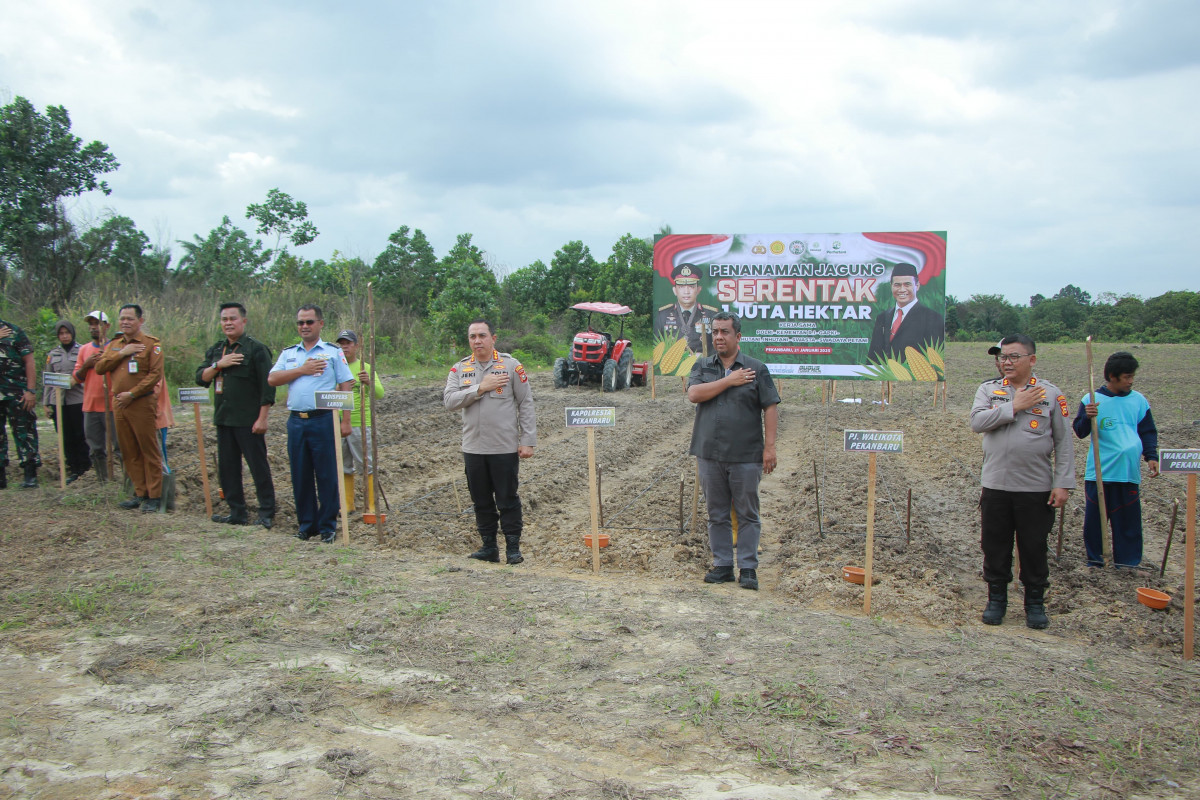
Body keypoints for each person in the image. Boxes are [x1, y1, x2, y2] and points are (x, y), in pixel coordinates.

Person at [970, 334, 1074, 629]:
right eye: (1003, 357)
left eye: (1014, 356)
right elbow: (977, 422)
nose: (1007, 362)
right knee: (994, 545)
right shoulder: (989, 390)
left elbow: (1064, 443)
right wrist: (1014, 406)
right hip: (996, 485)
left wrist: (1063, 483)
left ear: (1032, 360)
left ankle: (1035, 603)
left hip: (1035, 487)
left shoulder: (1051, 395)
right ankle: (996, 600)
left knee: (1033, 546)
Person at [687, 311, 780, 591]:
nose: (718, 337)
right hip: (710, 453)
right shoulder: (703, 366)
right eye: (715, 332)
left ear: (738, 336)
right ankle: (723, 565)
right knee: (717, 513)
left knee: (748, 512)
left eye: (725, 332)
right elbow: (694, 394)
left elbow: (770, 406)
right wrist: (729, 380)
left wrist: (770, 447)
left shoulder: (756, 368)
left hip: (746, 455)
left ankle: (748, 568)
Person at [443, 319, 536, 564]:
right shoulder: (460, 369)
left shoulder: (510, 366)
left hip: (503, 447)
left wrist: (527, 440)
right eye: (472, 336)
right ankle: (488, 547)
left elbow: (525, 402)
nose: (477, 341)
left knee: (507, 498)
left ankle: (513, 548)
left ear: (493, 338)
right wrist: (479, 388)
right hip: (473, 447)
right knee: (481, 500)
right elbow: (450, 401)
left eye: (482, 335)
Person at [268, 304, 353, 543]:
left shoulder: (332, 351)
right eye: (300, 323)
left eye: (309, 322)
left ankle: (327, 526)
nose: (304, 326)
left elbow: (346, 382)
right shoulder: (289, 354)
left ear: (320, 324)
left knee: (327, 474)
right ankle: (306, 525)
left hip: (323, 419)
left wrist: (345, 420)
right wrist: (302, 369)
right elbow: (273, 378)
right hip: (297, 421)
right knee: (300, 473)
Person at [1073, 351, 1158, 568]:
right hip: (1099, 473)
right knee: (1095, 521)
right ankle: (1096, 561)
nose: (1131, 381)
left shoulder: (1139, 401)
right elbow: (1080, 431)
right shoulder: (1092, 400)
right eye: (1127, 377)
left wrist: (1151, 456)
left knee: (1128, 521)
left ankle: (1128, 563)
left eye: (1132, 376)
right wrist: (1087, 416)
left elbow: (1147, 431)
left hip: (1128, 472)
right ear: (1112, 376)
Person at [197, 302, 277, 528]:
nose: (228, 323)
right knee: (228, 468)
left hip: (249, 421)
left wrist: (262, 418)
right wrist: (218, 365)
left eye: (233, 319)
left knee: (257, 466)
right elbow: (200, 378)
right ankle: (237, 512)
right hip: (224, 420)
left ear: (244, 321)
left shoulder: (256, 349)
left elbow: (267, 387)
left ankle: (266, 512)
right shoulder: (216, 350)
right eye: (224, 319)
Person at [95, 304, 165, 512]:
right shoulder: (115, 345)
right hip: (119, 403)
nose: (125, 322)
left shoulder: (151, 344)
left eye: (130, 319)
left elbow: (155, 375)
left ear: (140, 321)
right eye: (122, 318)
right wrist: (122, 353)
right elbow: (100, 367)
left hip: (140, 402)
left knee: (148, 448)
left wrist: (133, 393)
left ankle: (154, 495)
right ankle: (139, 492)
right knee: (128, 449)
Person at [335, 330, 385, 516]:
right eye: (341, 344)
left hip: (360, 423)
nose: (344, 347)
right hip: (338, 424)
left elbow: (380, 393)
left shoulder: (364, 367)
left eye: (348, 343)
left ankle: (371, 505)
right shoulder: (333, 367)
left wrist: (369, 382)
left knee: (366, 464)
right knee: (343, 464)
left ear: (356, 346)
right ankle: (347, 504)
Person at [866, 263, 945, 365]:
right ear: (891, 287)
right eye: (897, 285)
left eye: (907, 284)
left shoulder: (932, 318)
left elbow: (936, 356)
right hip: (885, 375)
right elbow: (873, 357)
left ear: (917, 286)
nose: (902, 289)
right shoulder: (883, 317)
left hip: (914, 377)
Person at [42, 320, 90, 482]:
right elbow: (48, 380)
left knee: (80, 434)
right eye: (61, 334)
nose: (64, 336)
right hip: (59, 402)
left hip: (78, 399)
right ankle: (73, 468)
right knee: (65, 437)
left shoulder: (82, 350)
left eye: (67, 333)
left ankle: (85, 468)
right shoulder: (53, 354)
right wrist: (46, 403)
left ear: (72, 333)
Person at [73, 311, 119, 480]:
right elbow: (76, 378)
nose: (94, 328)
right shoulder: (84, 350)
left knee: (120, 446)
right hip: (91, 406)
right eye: (91, 324)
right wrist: (87, 365)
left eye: (98, 324)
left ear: (107, 326)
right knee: (96, 448)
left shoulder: (116, 347)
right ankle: (103, 481)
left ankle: (130, 483)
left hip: (113, 404)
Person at [0, 318, 41, 489]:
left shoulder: (14, 331)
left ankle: (30, 474)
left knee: (25, 432)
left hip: (17, 392)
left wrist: (31, 391)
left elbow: (29, 361)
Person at [656, 263, 718, 355]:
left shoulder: (711, 314)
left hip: (703, 366)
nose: (686, 292)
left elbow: (717, 346)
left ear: (698, 290)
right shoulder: (663, 315)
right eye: (681, 287)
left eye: (691, 287)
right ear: (675, 290)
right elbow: (657, 347)